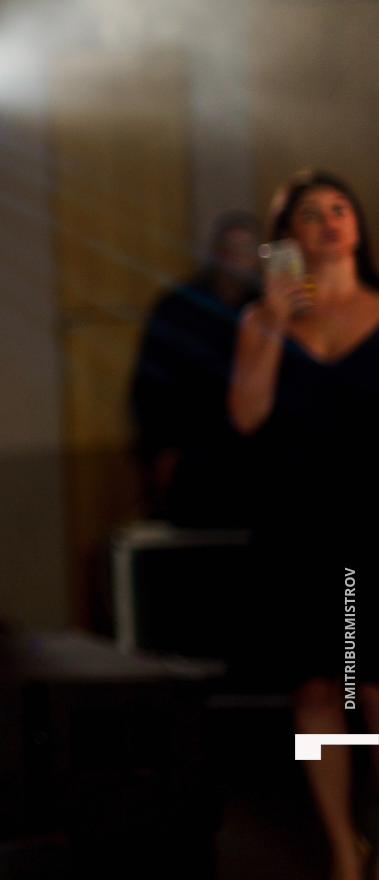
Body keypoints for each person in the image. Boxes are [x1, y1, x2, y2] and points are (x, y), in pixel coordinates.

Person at [227, 170, 379, 880]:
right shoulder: (260, 322)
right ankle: (342, 844)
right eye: (311, 214)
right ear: (286, 237)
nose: (329, 222)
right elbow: (246, 416)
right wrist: (275, 323)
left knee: (373, 686)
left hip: (373, 519)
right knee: (316, 690)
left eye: (340, 209)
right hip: (299, 524)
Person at [129, 210, 260, 525]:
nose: (236, 259)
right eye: (229, 249)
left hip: (255, 453)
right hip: (190, 449)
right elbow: (149, 386)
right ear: (215, 253)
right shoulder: (178, 307)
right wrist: (161, 448)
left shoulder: (267, 307)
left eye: (246, 250)